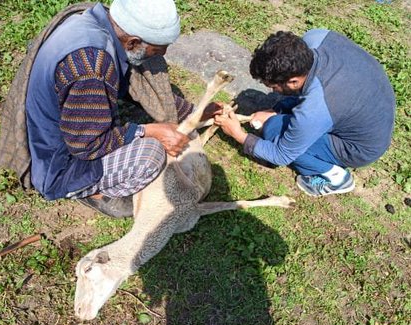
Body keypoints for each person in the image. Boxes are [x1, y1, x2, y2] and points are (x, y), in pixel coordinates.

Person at [20, 1, 208, 216]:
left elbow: (137, 84)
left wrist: (197, 112)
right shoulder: (91, 67)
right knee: (152, 155)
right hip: (58, 164)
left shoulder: (95, 22)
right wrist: (149, 131)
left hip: (58, 132)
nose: (161, 56)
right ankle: (90, 192)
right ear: (133, 43)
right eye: (156, 51)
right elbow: (86, 145)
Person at [214, 29, 396, 199]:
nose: (271, 90)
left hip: (361, 148)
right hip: (372, 106)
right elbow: (313, 95)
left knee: (274, 129)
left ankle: (335, 177)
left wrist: (238, 135)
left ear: (293, 80)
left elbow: (281, 155)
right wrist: (278, 109)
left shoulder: (316, 109)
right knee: (286, 118)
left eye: (273, 86)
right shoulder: (317, 37)